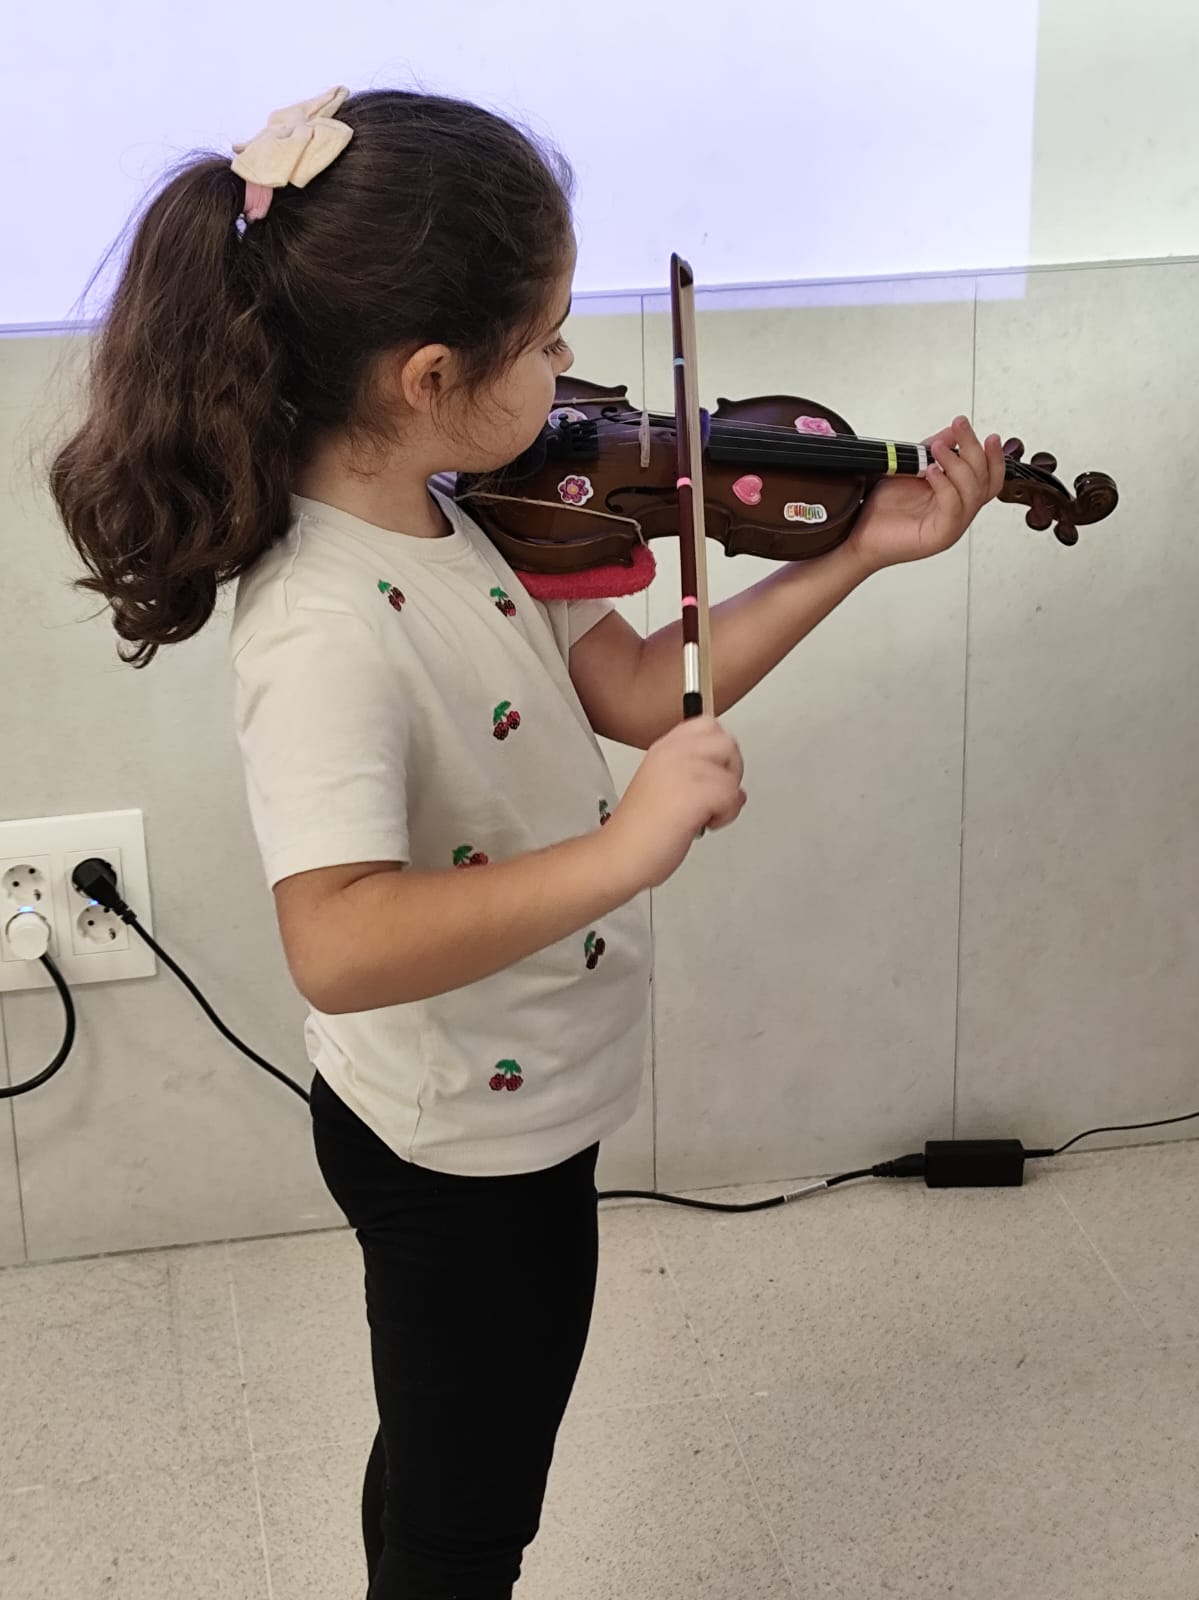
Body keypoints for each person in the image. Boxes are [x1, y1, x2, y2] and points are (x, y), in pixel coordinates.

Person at [51, 84, 1004, 1600]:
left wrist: (858, 553)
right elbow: (337, 940)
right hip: (456, 1144)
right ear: (431, 375)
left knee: (453, 1449)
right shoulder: (322, 627)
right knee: (469, 1512)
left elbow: (635, 687)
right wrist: (625, 852)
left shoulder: (473, 509)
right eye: (547, 339)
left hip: (520, 1096)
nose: (571, 374)